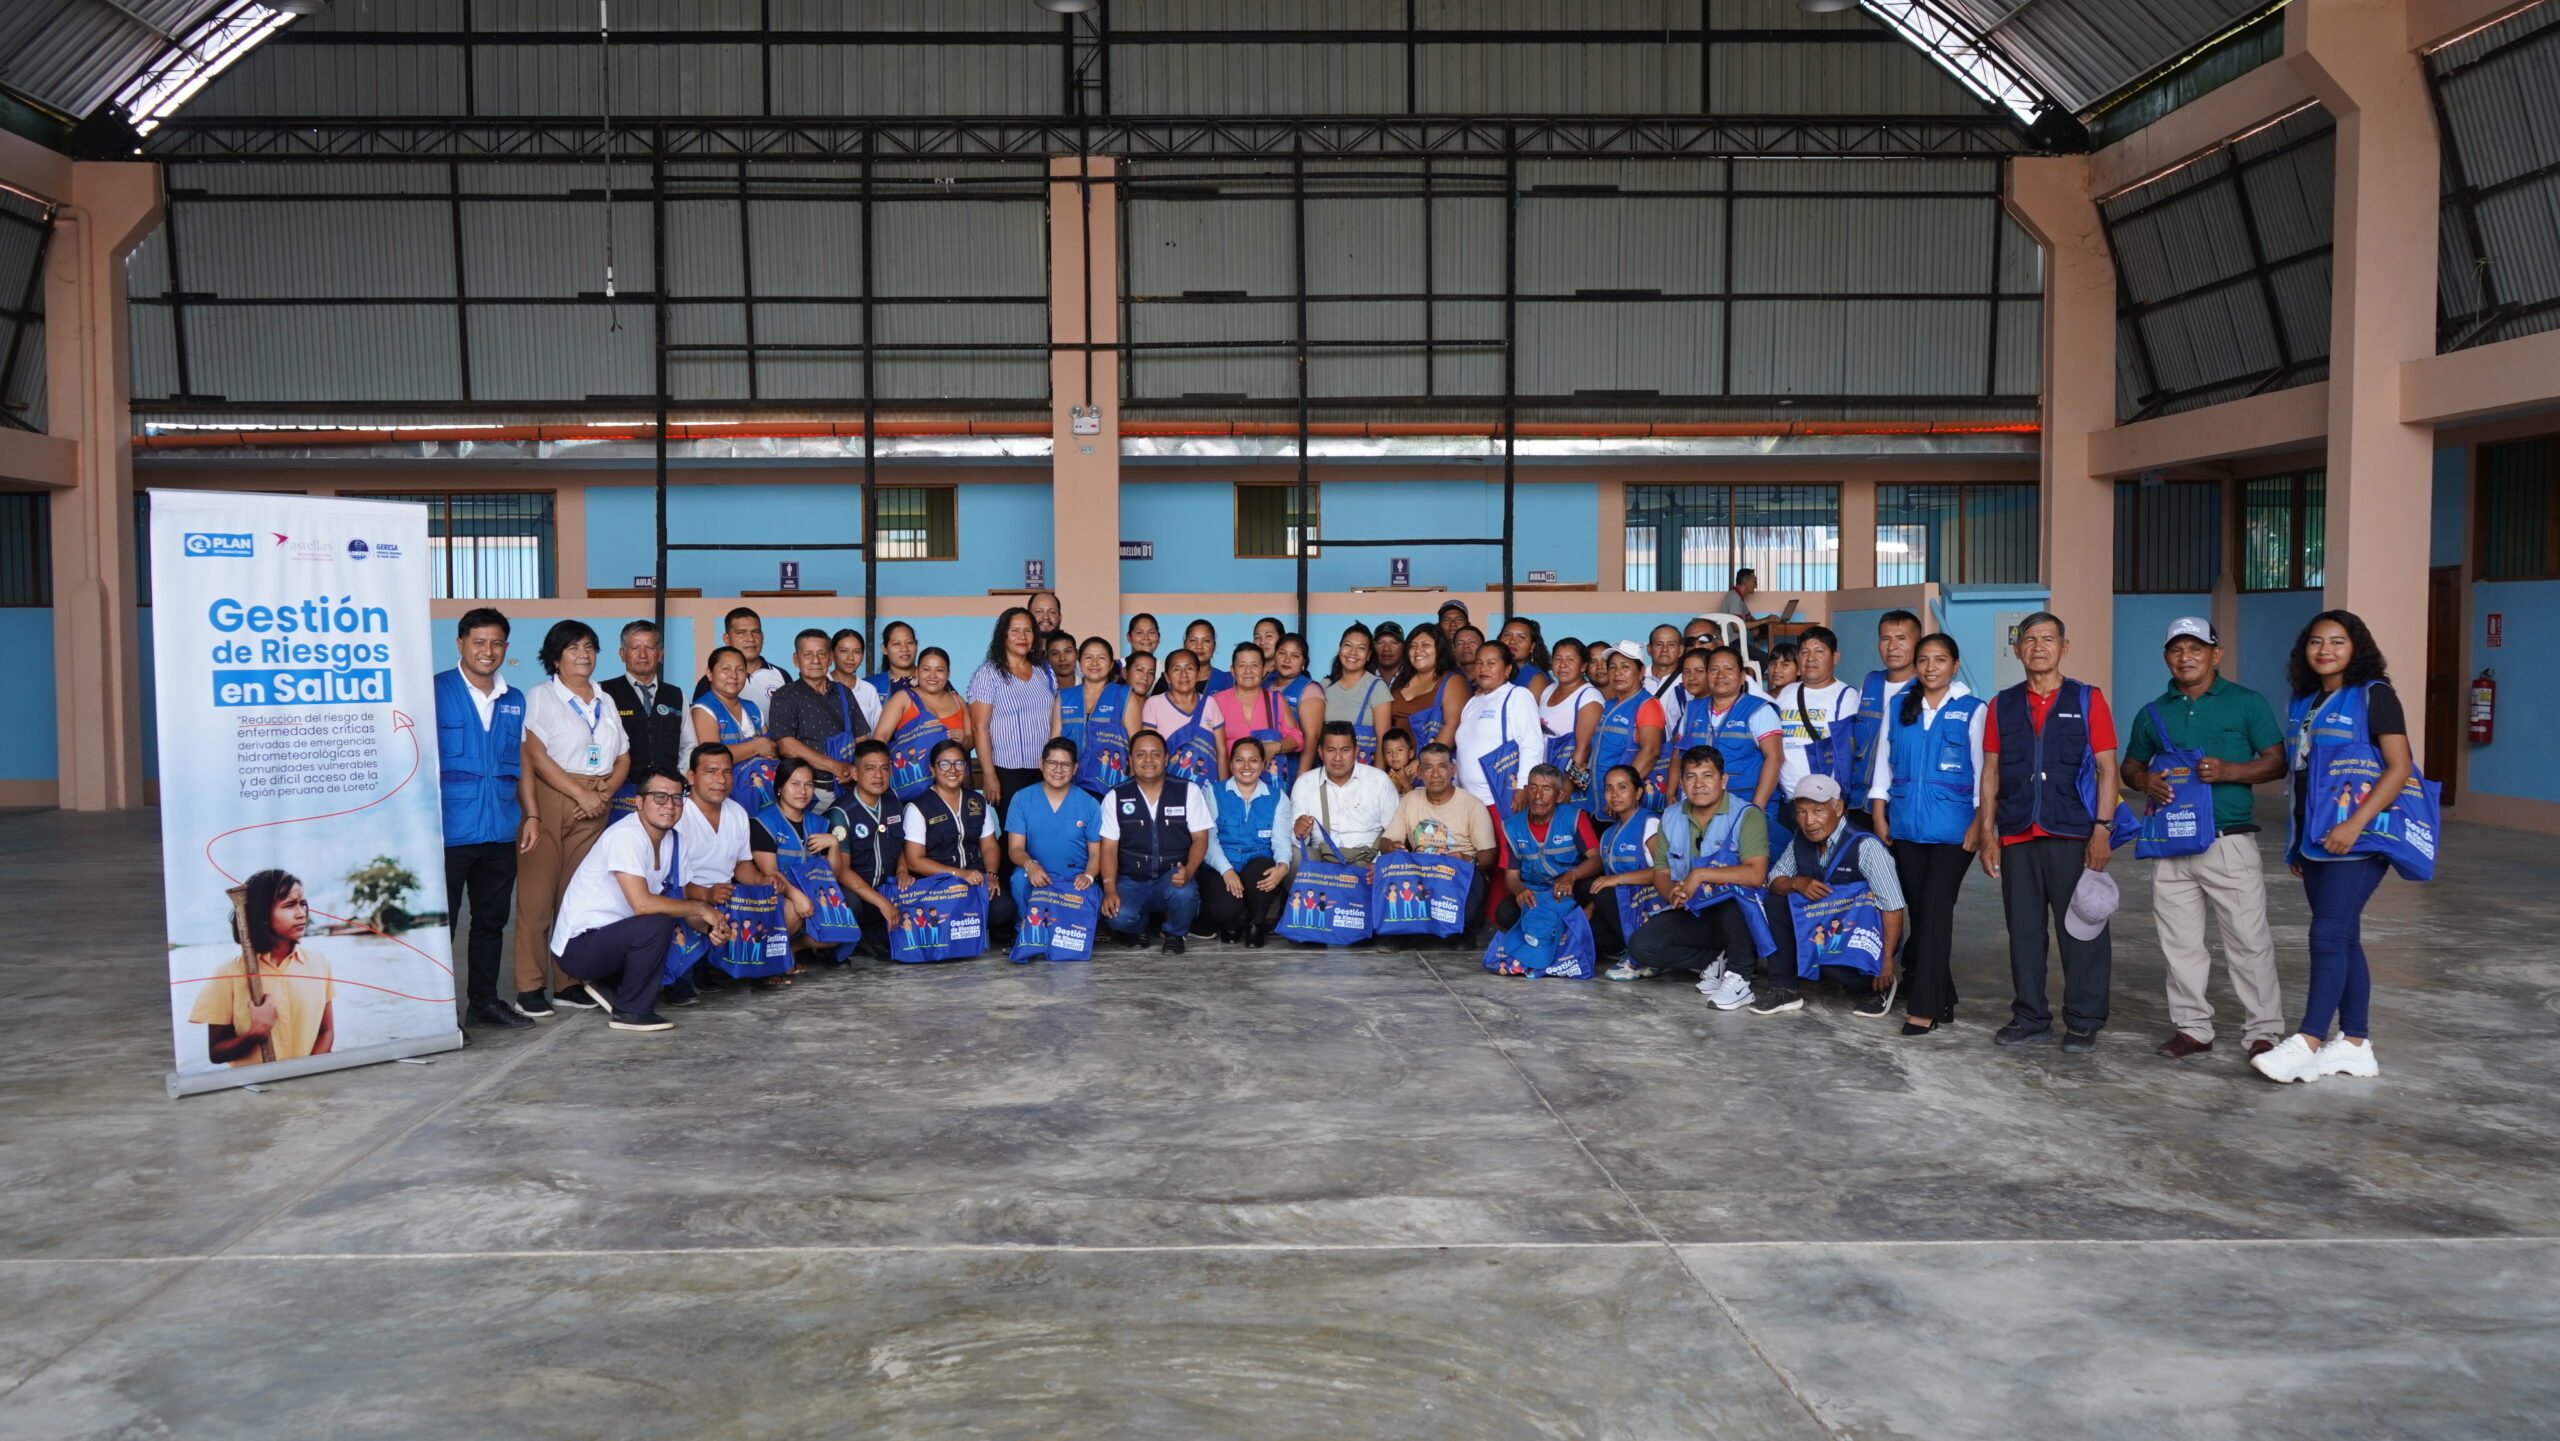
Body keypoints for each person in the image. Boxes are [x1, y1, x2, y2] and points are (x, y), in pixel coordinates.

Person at [2119, 617, 2288, 1061]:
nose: (2185, 657)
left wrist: (2234, 771)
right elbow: (2129, 766)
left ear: (2216, 654)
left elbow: (2276, 761)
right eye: (2176, 649)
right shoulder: (2153, 712)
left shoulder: (2246, 703)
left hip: (2227, 840)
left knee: (2248, 940)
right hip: (2171, 844)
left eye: (2196, 648)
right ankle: (2193, 1028)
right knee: (2180, 944)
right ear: (2166, 657)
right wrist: (2145, 780)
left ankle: (2263, 1032)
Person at [2252, 611, 2410, 1084]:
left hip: (2357, 841)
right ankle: (2357, 1044)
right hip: (2316, 840)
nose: (2325, 650)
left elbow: (2399, 767)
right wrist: (2301, 842)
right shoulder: (2304, 701)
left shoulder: (2374, 696)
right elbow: (2303, 778)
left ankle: (2308, 1040)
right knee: (2343, 937)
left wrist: (2355, 826)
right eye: (2316, 642)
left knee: (2325, 936)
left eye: (2337, 642)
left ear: (2355, 647)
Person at [1978, 611, 2122, 1055]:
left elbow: (2107, 768)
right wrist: (1987, 832)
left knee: (2083, 928)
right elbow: (1991, 772)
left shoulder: (2087, 699)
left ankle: (2083, 1020)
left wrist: (2102, 830)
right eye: (2029, 640)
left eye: (2047, 639)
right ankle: (2030, 1017)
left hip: (2072, 834)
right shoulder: (2001, 704)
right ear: (2017, 649)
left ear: (2064, 646)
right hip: (2019, 834)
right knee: (2024, 933)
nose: (2038, 647)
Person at [547, 768, 731, 1033]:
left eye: (677, 798)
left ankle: (612, 984)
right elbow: (642, 905)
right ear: (639, 802)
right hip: (579, 946)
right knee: (655, 924)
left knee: (670, 919)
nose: (670, 805)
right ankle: (630, 1011)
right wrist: (701, 907)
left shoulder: (674, 841)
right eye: (659, 797)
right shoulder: (626, 836)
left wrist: (710, 926)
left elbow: (677, 902)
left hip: (614, 937)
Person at [514, 620, 631, 1020]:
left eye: (589, 647)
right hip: (554, 796)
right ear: (555, 657)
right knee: (537, 898)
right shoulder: (541, 696)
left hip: (597, 800)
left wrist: (604, 792)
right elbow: (535, 756)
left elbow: (623, 755)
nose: (583, 655)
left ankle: (568, 983)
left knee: (576, 898)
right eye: (573, 648)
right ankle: (530, 987)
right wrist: (580, 793)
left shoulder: (606, 698)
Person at [1868, 632, 1983, 1036]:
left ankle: (1924, 1007)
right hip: (1905, 827)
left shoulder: (1972, 710)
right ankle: (1944, 995)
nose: (1931, 667)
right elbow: (1884, 763)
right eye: (1924, 660)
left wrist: (1980, 823)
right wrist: (1879, 813)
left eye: (1940, 660)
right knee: (1921, 913)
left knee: (1935, 913)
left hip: (1954, 831)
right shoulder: (1900, 705)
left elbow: (1985, 773)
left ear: (1954, 665)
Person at [1609, 747, 1777, 1009]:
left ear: (1723, 780)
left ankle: (1740, 977)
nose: (1698, 785)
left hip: (1738, 913)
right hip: (1695, 909)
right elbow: (1661, 872)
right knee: (1642, 946)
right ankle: (1715, 960)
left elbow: (1756, 875)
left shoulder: (1747, 814)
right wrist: (1672, 894)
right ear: (1683, 782)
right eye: (1690, 777)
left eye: (1707, 776)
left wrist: (1699, 875)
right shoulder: (1672, 815)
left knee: (1735, 898)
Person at [434, 607, 535, 1031]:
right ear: (460, 644)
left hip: (499, 829)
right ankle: (440, 1013)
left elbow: (522, 762)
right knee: (444, 925)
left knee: (491, 922)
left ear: (506, 648)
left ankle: (484, 1002)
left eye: (496, 643)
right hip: (448, 831)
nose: (487, 651)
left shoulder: (514, 699)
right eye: (479, 642)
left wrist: (531, 814)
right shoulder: (434, 691)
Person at [1761, 775, 1906, 1017]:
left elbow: (1892, 906)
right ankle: (1784, 988)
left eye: (1818, 810)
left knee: (1839, 974)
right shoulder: (1800, 840)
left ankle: (1877, 986)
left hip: (1857, 935)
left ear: (1838, 808)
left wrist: (1886, 961)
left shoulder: (1865, 846)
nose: (1809, 821)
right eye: (1801, 812)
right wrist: (1798, 882)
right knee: (1777, 898)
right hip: (1822, 931)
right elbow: (1774, 881)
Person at [193, 868, 334, 1065]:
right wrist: (256, 1032)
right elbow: (216, 1053)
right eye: (290, 905)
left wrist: (307, 1072)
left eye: (303, 904)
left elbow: (326, 1031)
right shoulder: (228, 974)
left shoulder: (319, 964)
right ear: (263, 913)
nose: (302, 914)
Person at [1098, 729, 1211, 951]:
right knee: (1117, 916)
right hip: (1131, 879)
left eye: (1155, 754)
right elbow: (1109, 848)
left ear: (1166, 758)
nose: (1148, 760)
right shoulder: (1116, 796)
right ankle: (1140, 928)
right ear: (1130, 760)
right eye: (1141, 754)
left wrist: (1188, 870)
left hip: (1171, 877)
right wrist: (1110, 888)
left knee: (1185, 893)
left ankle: (1174, 934)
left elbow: (1200, 838)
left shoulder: (1188, 790)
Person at [902, 736, 1018, 941]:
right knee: (942, 916)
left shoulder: (976, 801)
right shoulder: (918, 807)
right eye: (944, 764)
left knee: (1003, 909)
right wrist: (960, 873)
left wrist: (991, 874)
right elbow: (915, 861)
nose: (952, 770)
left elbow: (990, 846)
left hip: (975, 879)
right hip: (937, 885)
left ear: (966, 768)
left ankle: (969, 926)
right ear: (932, 769)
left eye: (959, 763)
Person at [1383, 740, 1500, 942]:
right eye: (1428, 768)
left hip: (1457, 872)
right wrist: (1392, 847)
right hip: (1420, 873)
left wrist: (1466, 859)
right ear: (1419, 772)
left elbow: (1489, 855)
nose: (1435, 774)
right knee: (1388, 870)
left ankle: (1460, 930)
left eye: (1442, 766)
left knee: (1472, 887)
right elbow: (1385, 841)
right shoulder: (1410, 800)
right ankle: (1398, 934)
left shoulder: (1471, 804)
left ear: (1452, 769)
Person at [669, 742, 757, 1003]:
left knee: (771, 906)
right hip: (687, 897)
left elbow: (743, 866)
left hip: (723, 897)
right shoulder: (677, 813)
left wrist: (765, 883)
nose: (721, 780)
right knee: (684, 910)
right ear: (692, 776)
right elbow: (668, 882)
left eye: (727, 772)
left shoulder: (737, 812)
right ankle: (679, 975)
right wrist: (705, 893)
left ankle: (711, 966)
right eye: (711, 771)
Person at [748, 758, 840, 984]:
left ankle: (789, 949)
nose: (803, 791)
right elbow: (770, 875)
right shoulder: (764, 822)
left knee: (839, 930)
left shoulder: (819, 823)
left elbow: (833, 875)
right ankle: (768, 965)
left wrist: (834, 844)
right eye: (795, 784)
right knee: (792, 907)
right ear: (780, 788)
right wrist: (796, 895)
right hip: (776, 896)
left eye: (808, 785)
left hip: (811, 894)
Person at [1005, 736, 1104, 944]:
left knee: (1091, 901)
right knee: (1018, 879)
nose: (1058, 770)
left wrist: (1089, 875)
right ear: (1041, 764)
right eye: (1052, 763)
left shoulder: (1089, 803)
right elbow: (1015, 849)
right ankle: (1027, 933)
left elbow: (1096, 854)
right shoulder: (1022, 799)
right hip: (1037, 874)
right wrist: (1030, 866)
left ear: (1075, 768)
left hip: (1073, 878)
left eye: (1065, 764)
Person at [968, 605, 1063, 814]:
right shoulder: (988, 673)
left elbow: (1054, 719)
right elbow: (979, 728)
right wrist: (989, 775)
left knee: (1041, 834)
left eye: (1028, 631)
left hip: (1043, 770)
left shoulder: (1044, 672)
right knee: (1013, 836)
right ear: (1003, 636)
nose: (1022, 636)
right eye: (1015, 631)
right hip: (1007, 772)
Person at [1679, 647, 1784, 836]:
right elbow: (1679, 755)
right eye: (1714, 669)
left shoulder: (1759, 709)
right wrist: (1674, 795)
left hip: (1746, 802)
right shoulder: (1692, 709)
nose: (1720, 675)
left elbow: (1774, 758)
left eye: (1728, 669)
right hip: (1701, 806)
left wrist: (1755, 809)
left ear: (1742, 676)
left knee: (1748, 861)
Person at [1202, 735, 1295, 946]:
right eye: (1239, 760)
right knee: (1224, 909)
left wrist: (1283, 866)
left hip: (1257, 862)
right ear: (1230, 762)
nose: (1246, 766)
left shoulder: (1278, 797)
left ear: (1263, 764)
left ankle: (1256, 921)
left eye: (1253, 760)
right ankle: (1232, 921)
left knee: (1266, 870)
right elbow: (1208, 841)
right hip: (1222, 865)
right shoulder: (1213, 793)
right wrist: (1227, 871)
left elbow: (1281, 840)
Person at [821, 738, 907, 960]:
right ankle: (856, 935)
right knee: (852, 902)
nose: (878, 775)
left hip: (886, 888)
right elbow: (841, 871)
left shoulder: (892, 799)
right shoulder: (841, 813)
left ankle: (874, 931)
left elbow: (900, 843)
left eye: (884, 768)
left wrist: (903, 870)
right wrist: (881, 902)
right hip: (859, 893)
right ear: (855, 773)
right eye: (870, 769)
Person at [767, 627, 869, 807]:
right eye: (808, 655)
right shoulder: (784, 696)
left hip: (849, 788)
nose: (815, 660)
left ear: (830, 658)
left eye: (821, 654)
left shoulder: (843, 692)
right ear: (796, 660)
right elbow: (786, 745)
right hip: (809, 792)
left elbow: (861, 738)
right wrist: (835, 767)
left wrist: (856, 769)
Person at [1494, 764, 1602, 931]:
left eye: (1546, 789)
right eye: (1533, 787)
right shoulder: (1512, 827)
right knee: (1505, 913)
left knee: (1594, 891)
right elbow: (1511, 877)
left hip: (1570, 890)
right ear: (1526, 790)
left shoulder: (1574, 817)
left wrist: (1572, 875)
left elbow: (1597, 859)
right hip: (1536, 893)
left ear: (1559, 795)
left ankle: (1557, 929)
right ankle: (1552, 929)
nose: (1538, 795)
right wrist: (1520, 890)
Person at [1772, 625, 1858, 820]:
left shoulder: (1845, 696)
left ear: (1835, 657)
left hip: (1821, 800)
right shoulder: (1786, 692)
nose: (1810, 658)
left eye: (1819, 651)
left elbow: (1844, 753)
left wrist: (1837, 799)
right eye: (1804, 652)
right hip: (1785, 797)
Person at [1289, 721, 1403, 863]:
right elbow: (1297, 840)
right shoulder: (1305, 783)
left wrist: (1379, 865)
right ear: (1320, 751)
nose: (1338, 758)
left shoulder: (1378, 780)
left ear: (1356, 751)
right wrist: (1299, 831)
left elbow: (1394, 833)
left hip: (1368, 861)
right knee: (1294, 855)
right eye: (1331, 750)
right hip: (1322, 863)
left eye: (1345, 750)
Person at [1850, 609, 1923, 829]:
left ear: (1918, 643)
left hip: (1903, 805)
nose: (1892, 647)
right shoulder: (1871, 682)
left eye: (1901, 638)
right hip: (1860, 801)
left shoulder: (1926, 688)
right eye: (1885, 638)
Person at [872, 647, 973, 804]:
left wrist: (964, 740)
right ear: (917, 672)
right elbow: (880, 737)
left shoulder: (957, 700)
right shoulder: (904, 698)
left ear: (948, 673)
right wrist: (879, 772)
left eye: (939, 670)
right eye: (926, 670)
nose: (933, 676)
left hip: (951, 787)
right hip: (912, 790)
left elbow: (970, 741)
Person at [602, 620, 686, 803]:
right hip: (620, 793)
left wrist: (682, 782)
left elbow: (688, 746)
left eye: (649, 647)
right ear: (622, 654)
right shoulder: (603, 693)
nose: (642, 655)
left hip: (667, 793)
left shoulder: (676, 695)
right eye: (635, 648)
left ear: (660, 654)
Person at [1585, 765, 1662, 965]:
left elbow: (1665, 872)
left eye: (1622, 787)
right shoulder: (1608, 835)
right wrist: (1592, 906)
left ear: (1638, 792)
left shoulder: (1649, 823)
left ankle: (1644, 957)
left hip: (1651, 903)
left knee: (1604, 891)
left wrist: (1617, 879)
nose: (1615, 794)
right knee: (1589, 933)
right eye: (1609, 788)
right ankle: (1628, 945)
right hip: (1622, 905)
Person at [1454, 644, 1540, 821]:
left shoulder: (1517, 695)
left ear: (1507, 669)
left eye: (1491, 663)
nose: (1483, 668)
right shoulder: (1473, 702)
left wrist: (1524, 786)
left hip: (1499, 799)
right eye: (1479, 663)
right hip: (1468, 801)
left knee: (1504, 848)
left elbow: (1531, 744)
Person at [1210, 642, 1305, 786]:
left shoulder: (1275, 700)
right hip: (1229, 785)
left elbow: (1297, 739)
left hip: (1270, 788)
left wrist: (1275, 746)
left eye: (1254, 665)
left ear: (1264, 670)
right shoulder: (1216, 702)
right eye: (1242, 666)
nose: (1248, 671)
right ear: (1233, 671)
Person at [1591, 641, 1669, 813]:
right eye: (1612, 667)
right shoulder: (1609, 704)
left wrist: (1619, 793)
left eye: (1625, 667)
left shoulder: (1647, 704)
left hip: (1624, 804)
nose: (1617, 673)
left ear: (1641, 672)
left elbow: (1650, 752)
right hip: (1599, 799)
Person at [688, 645, 777, 791]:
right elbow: (712, 758)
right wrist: (756, 746)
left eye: (740, 669)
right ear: (710, 674)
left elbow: (770, 750)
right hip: (722, 792)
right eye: (725, 669)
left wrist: (761, 747)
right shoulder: (704, 709)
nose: (733, 676)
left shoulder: (752, 708)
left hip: (759, 790)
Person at [1061, 636, 1136, 796]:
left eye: (1101, 658)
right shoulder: (1064, 697)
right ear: (1079, 663)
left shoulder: (1125, 695)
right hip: (1069, 787)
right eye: (1088, 657)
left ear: (1110, 665)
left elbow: (1136, 744)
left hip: (1112, 786)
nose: (1094, 663)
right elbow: (1054, 742)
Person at [1142, 648, 1225, 788]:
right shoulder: (1154, 704)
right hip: (1169, 790)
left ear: (1198, 674)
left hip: (1208, 790)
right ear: (1167, 677)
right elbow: (1148, 749)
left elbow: (1221, 751)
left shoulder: (1210, 703)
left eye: (1189, 668)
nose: (1184, 674)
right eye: (1176, 669)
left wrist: (1223, 791)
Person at [691, 606, 789, 720]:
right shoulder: (711, 681)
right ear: (726, 639)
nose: (750, 639)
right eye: (741, 633)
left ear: (762, 636)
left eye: (755, 632)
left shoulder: (782, 676)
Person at [1539, 637, 1603, 800]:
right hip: (1546, 775)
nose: (1563, 665)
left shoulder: (1589, 697)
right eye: (1558, 659)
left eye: (1570, 660)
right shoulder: (1548, 690)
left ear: (1583, 666)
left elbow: (1584, 748)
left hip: (1568, 783)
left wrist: (1566, 787)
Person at [1387, 623, 1466, 753]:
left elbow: (1453, 726)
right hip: (1398, 764)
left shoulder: (1452, 680)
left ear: (1439, 649)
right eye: (1413, 646)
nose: (1418, 650)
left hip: (1431, 765)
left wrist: (1423, 762)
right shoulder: (1400, 681)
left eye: (1426, 645)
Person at [1322, 627, 1392, 764]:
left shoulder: (1377, 687)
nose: (1353, 652)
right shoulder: (1325, 685)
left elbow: (1383, 740)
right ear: (1340, 649)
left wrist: (1377, 778)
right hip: (1330, 769)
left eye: (1361, 648)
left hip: (1364, 772)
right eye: (1348, 645)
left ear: (1368, 655)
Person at [1270, 632, 1326, 782]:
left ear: (1303, 663)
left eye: (1295, 656)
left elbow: (1312, 737)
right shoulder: (1264, 684)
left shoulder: (1309, 689)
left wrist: (1302, 777)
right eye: (1282, 653)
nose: (1287, 659)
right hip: (1266, 766)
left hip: (1294, 768)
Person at [829, 628, 887, 731]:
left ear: (862, 656)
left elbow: (877, 731)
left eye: (856, 652)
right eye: (843, 651)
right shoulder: (820, 685)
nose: (850, 658)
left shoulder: (868, 690)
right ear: (832, 654)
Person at [1498, 617, 1552, 700]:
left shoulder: (1537, 679)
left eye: (1521, 637)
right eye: (1507, 635)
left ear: (1532, 646)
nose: (1512, 641)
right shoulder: (1494, 673)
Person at [1181, 619, 1235, 695]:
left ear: (1214, 645)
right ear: (1184, 644)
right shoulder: (1170, 681)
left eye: (1206, 641)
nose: (1199, 646)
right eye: (1193, 640)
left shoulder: (1229, 681)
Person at [870, 620, 920, 694]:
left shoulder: (934, 681)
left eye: (909, 642)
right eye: (897, 644)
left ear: (916, 646)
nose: (904, 649)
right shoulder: (870, 686)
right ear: (885, 649)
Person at [1643, 624, 1686, 702]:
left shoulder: (1688, 680)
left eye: (1671, 644)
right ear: (1649, 649)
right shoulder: (1637, 679)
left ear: (1681, 650)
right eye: (1659, 644)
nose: (1664, 650)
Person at [1377, 727, 1418, 792]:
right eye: (1389, 752)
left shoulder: (1417, 776)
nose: (1394, 755)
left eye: (1400, 750)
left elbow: (1418, 801)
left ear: (1410, 753)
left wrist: (1406, 784)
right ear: (1384, 757)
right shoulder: (1383, 778)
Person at [1371, 620, 1408, 685]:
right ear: (1373, 646)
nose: (1386, 648)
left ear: (1403, 647)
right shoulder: (1363, 678)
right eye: (1380, 642)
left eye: (1394, 642)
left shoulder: (1414, 678)